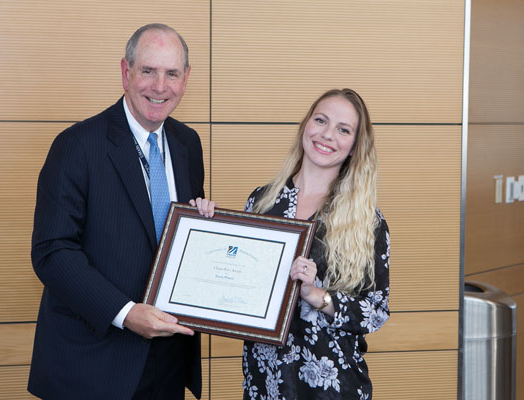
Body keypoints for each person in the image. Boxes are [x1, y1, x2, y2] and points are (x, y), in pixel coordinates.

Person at [28, 23, 212, 399]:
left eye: (172, 73)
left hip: (168, 358)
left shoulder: (187, 144)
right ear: (126, 73)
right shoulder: (77, 145)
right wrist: (126, 313)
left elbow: (175, 237)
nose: (160, 86)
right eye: (148, 71)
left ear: (186, 78)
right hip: (94, 364)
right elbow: (52, 251)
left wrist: (204, 223)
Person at [241, 89, 390, 399]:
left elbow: (375, 312)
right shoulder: (262, 202)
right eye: (321, 120)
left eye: (343, 129)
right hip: (265, 382)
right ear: (305, 126)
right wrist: (208, 228)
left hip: (333, 386)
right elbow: (241, 282)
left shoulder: (368, 222)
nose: (327, 134)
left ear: (353, 147)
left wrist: (317, 295)